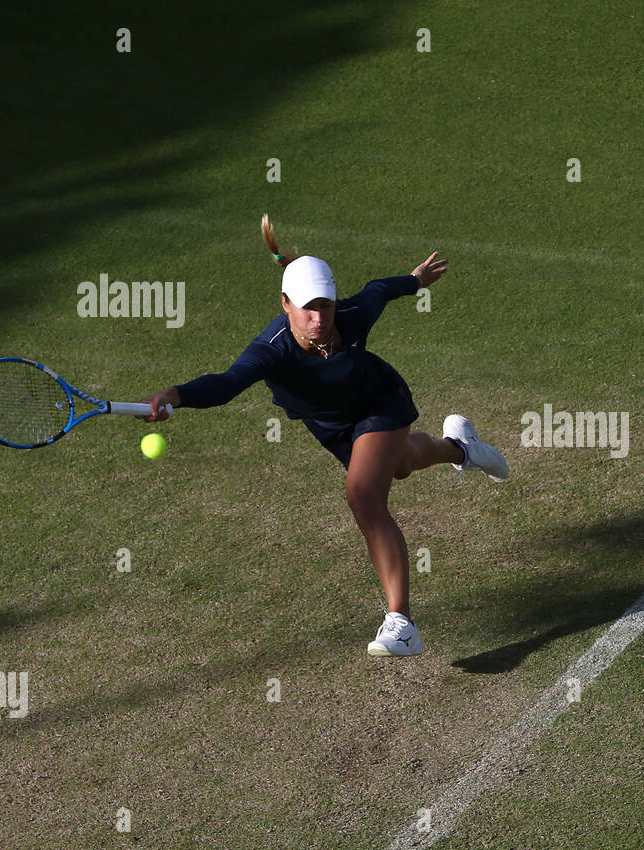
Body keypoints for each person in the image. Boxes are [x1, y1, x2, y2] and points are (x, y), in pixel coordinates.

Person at [137, 216, 508, 657]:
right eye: (307, 308)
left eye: (325, 307)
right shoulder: (271, 350)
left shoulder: (348, 317)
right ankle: (463, 447)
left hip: (380, 402)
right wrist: (175, 395)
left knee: (364, 498)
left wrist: (414, 280)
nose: (318, 319)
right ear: (285, 304)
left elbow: (377, 290)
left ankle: (403, 624)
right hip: (334, 427)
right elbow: (226, 383)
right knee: (403, 465)